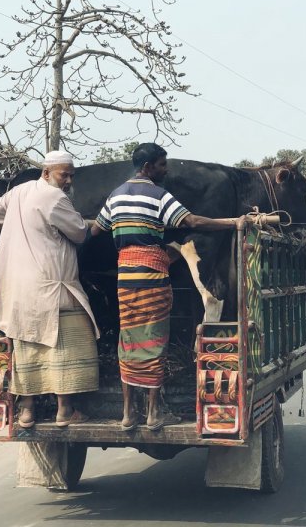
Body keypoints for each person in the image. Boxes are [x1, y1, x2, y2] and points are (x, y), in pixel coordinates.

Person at [91, 142, 239, 431]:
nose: (165, 170)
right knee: (154, 341)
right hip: (152, 277)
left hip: (125, 277)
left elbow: (96, 229)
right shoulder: (158, 195)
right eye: (161, 165)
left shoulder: (115, 196)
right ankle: (153, 413)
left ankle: (127, 415)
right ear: (148, 168)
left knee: (129, 340)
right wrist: (232, 223)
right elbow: (192, 220)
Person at [0, 150, 99, 428]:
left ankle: (27, 412)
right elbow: (80, 233)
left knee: (26, 347)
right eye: (64, 175)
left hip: (19, 290)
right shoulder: (55, 197)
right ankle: (64, 411)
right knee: (64, 345)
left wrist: (16, 223)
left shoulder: (20, 191)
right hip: (52, 286)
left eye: (71, 175)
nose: (68, 180)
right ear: (47, 173)